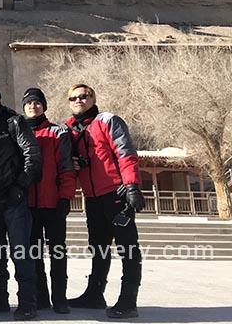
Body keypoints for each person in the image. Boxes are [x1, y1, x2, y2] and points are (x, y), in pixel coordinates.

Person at [65, 83, 145, 319]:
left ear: (92, 98)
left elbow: (125, 153)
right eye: (73, 98)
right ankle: (94, 293)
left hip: (116, 193)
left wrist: (132, 186)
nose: (78, 100)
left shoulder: (108, 121)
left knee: (127, 247)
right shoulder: (71, 130)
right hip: (92, 197)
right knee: (98, 246)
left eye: (83, 96)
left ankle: (129, 300)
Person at [0, 79, 42, 321]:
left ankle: (27, 302)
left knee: (21, 252)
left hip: (14, 197)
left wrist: (20, 185)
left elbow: (31, 154)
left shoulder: (14, 121)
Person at [21, 87, 75, 314]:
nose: (33, 106)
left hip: (53, 203)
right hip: (28, 205)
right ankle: (41, 296)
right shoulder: (20, 132)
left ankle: (60, 297)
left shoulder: (58, 132)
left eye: (37, 102)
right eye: (29, 103)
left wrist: (65, 197)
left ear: (44, 105)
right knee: (34, 253)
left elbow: (66, 167)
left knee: (57, 252)